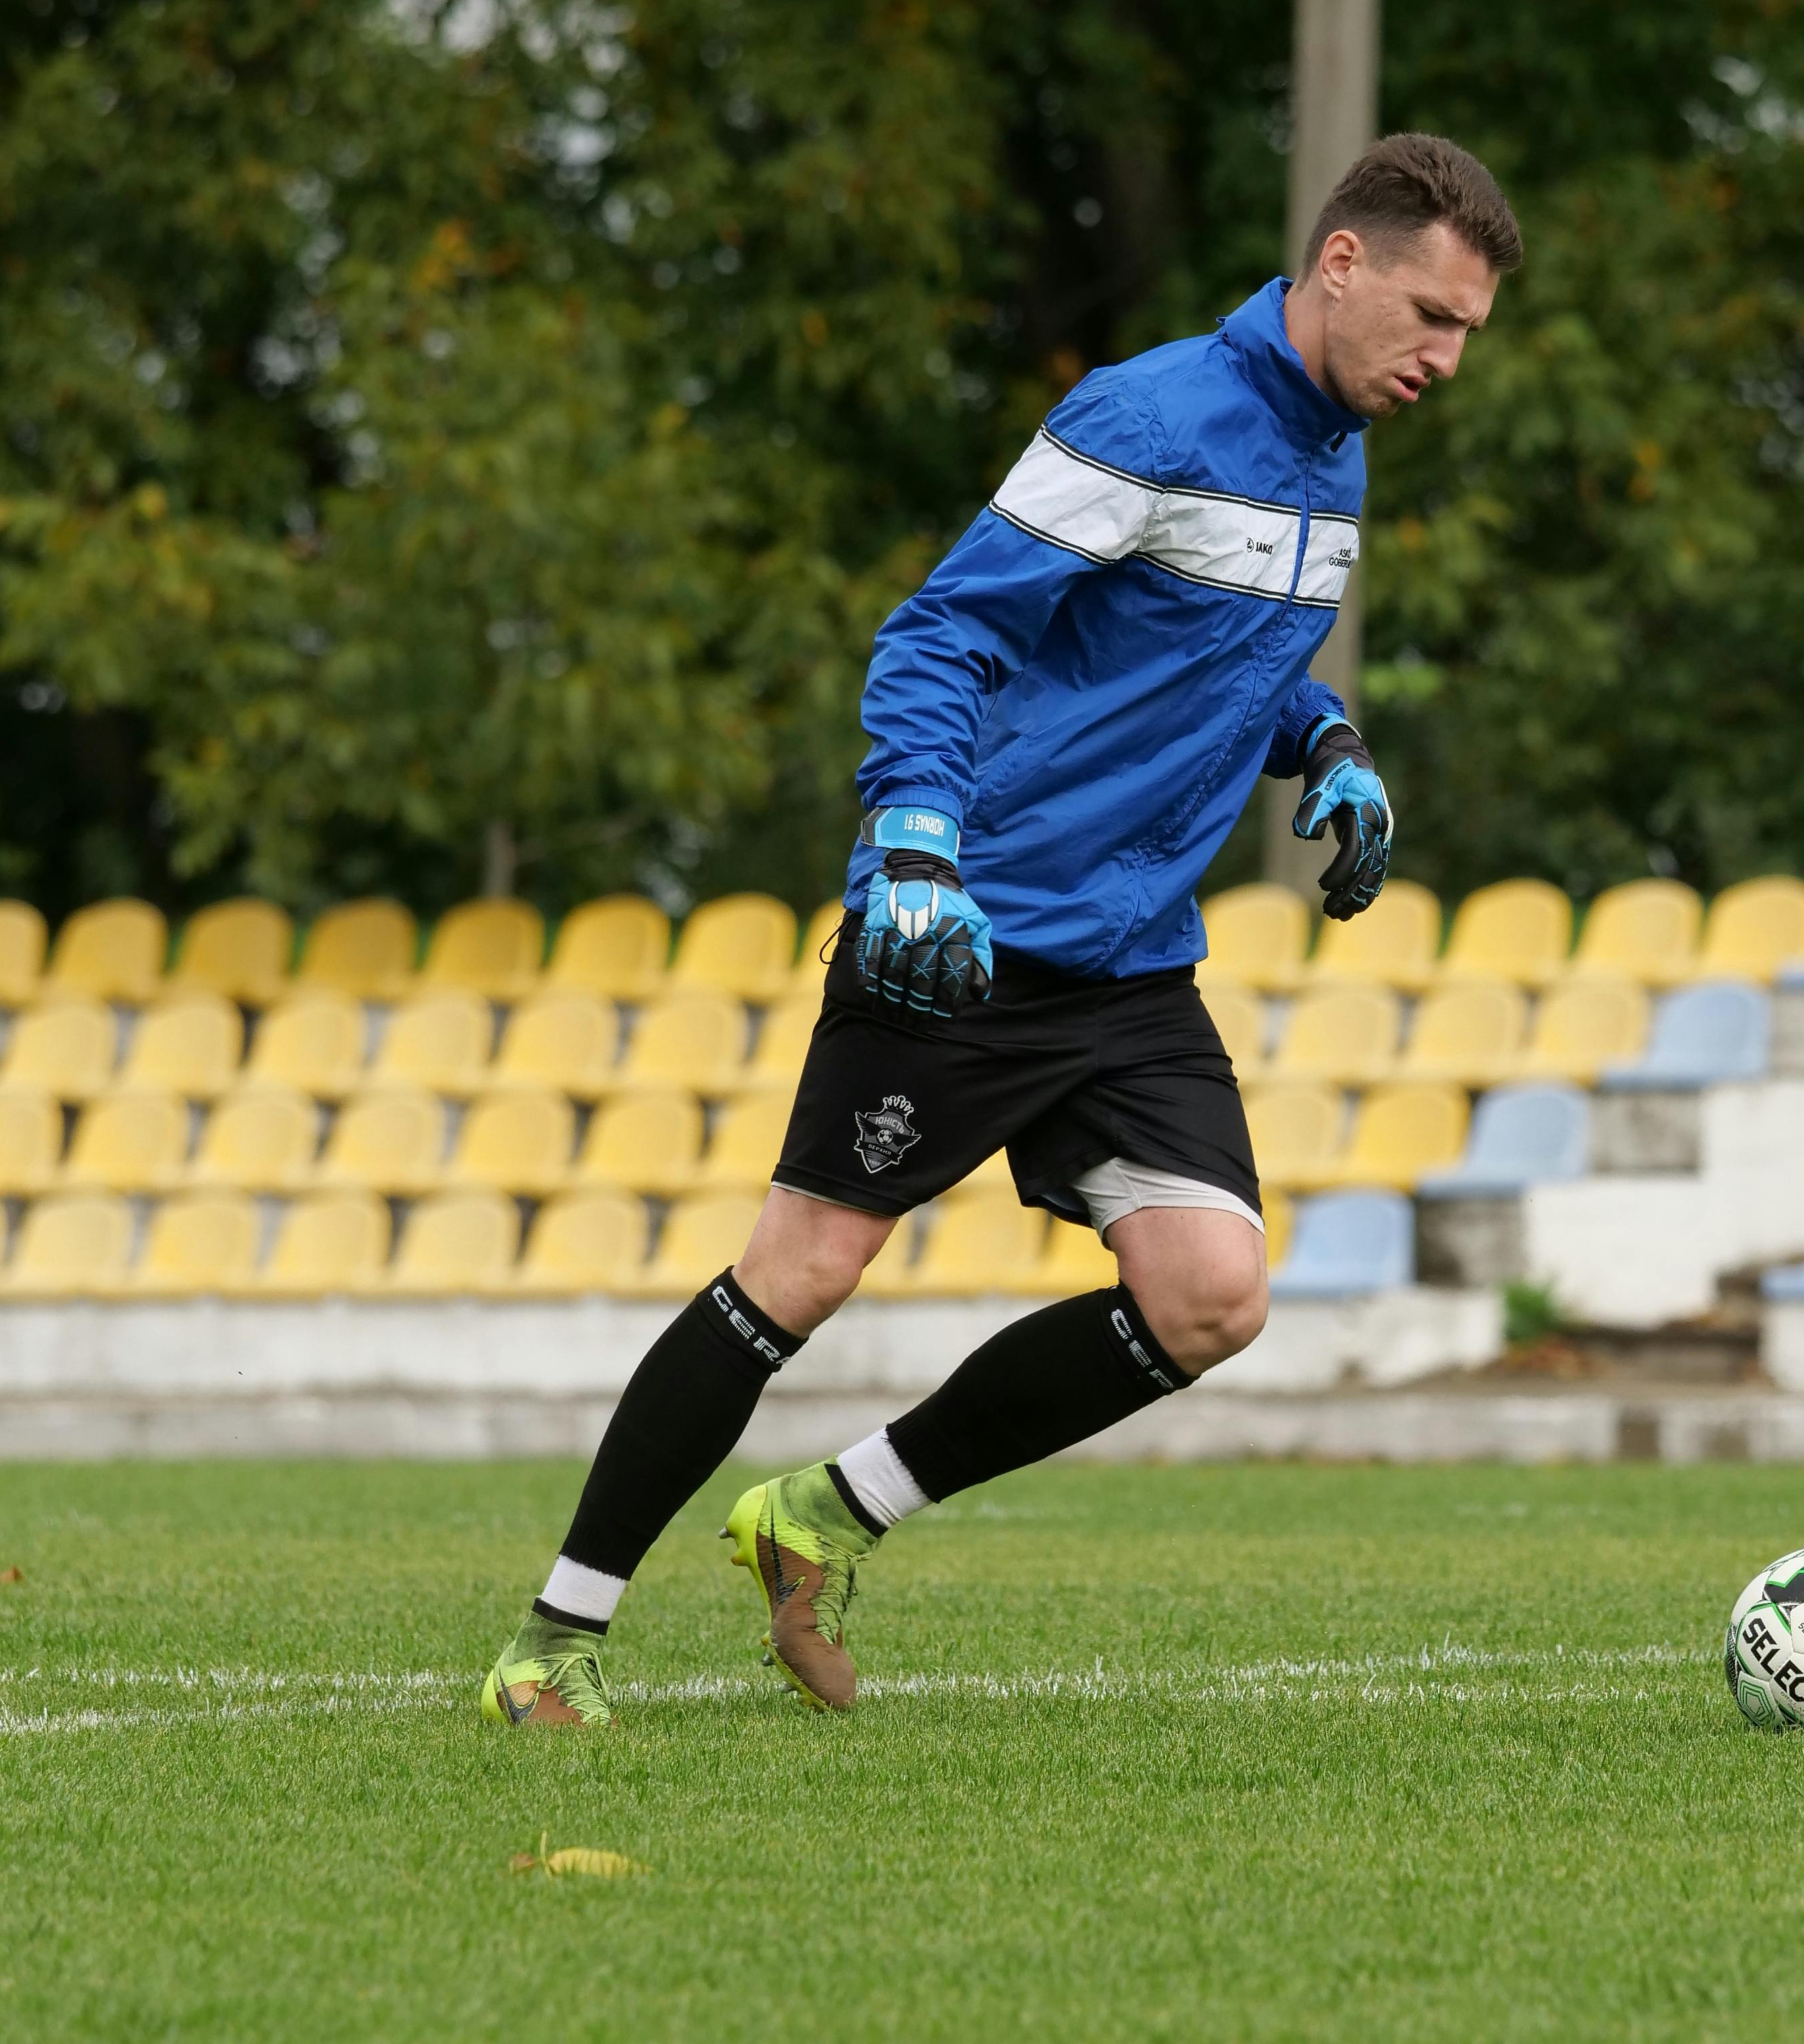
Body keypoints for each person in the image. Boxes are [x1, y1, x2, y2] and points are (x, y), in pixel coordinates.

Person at [482, 131, 1523, 1726]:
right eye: (1433, 317)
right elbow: (945, 631)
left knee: (1210, 1296)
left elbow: (1202, 662)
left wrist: (1323, 743)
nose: (1447, 357)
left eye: (1467, 333)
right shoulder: (1148, 414)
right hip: (968, 931)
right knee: (802, 1275)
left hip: (1131, 964)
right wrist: (913, 838)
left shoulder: (1338, 456)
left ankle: (822, 1520)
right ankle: (554, 1642)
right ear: (1343, 265)